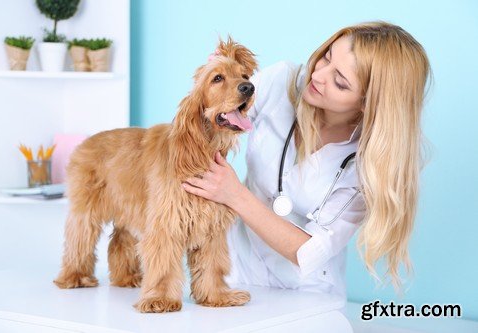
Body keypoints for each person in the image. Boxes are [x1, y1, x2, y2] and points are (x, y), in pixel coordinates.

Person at [182, 22, 431, 305]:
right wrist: (216, 79)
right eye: (327, 56)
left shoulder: (368, 165)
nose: (318, 75)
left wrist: (235, 195)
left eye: (340, 81)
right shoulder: (282, 81)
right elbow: (217, 118)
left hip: (306, 296)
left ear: (367, 102)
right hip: (234, 272)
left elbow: (308, 252)